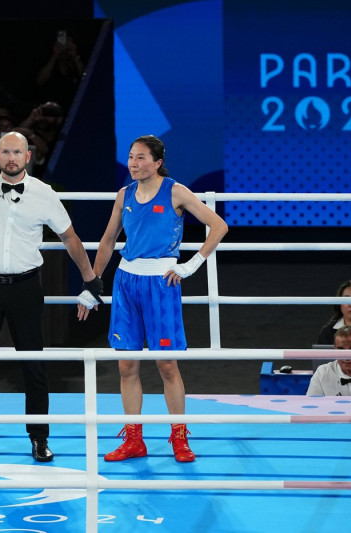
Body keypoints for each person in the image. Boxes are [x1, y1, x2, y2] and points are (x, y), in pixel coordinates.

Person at [0, 116, 102, 467]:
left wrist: (90, 279)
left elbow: (70, 238)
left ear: (28, 156)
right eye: (5, 152)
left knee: (34, 367)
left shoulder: (44, 193)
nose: (11, 157)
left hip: (27, 287)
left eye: (17, 151)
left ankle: (40, 439)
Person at [80, 134, 228, 463]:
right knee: (126, 365)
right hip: (126, 282)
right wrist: (92, 283)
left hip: (161, 283)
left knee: (168, 365)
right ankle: (134, 439)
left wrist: (191, 265)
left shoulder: (176, 191)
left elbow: (217, 226)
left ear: (157, 162)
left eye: (141, 158)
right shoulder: (124, 195)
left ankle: (179, 437)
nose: (133, 163)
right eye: (131, 157)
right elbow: (107, 241)